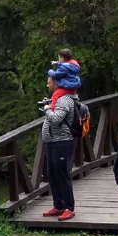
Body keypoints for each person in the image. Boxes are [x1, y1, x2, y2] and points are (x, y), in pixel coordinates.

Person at [39, 75, 80, 221]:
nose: (47, 85)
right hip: (52, 142)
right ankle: (58, 205)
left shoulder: (64, 100)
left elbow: (56, 119)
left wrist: (46, 109)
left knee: (62, 175)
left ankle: (69, 208)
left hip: (62, 142)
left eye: (49, 82)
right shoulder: (57, 99)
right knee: (52, 175)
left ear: (56, 84)